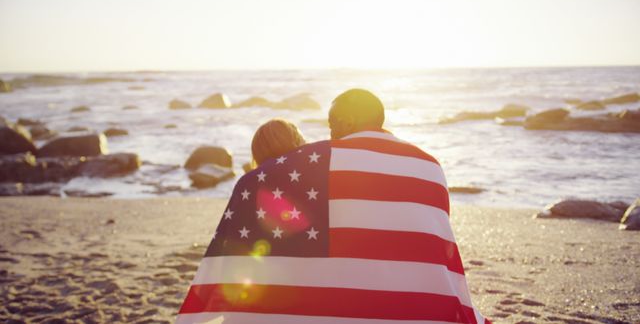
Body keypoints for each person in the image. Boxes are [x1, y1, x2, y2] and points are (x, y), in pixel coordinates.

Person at [176, 89, 489, 324]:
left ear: (347, 121)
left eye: (332, 123)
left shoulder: (297, 170)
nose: (329, 132)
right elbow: (438, 248)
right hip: (420, 307)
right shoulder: (430, 166)